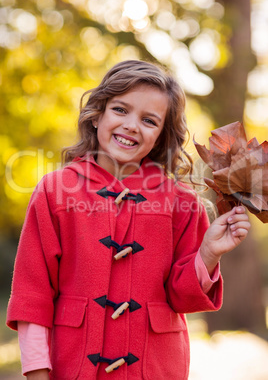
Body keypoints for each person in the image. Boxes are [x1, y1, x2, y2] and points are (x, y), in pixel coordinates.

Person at [6, 60, 250, 379]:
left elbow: (183, 297)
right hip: (73, 367)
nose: (132, 125)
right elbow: (32, 293)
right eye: (120, 110)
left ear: (162, 134)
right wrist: (38, 371)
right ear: (97, 115)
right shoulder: (54, 192)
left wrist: (209, 252)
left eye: (149, 120)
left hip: (156, 369)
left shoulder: (182, 203)